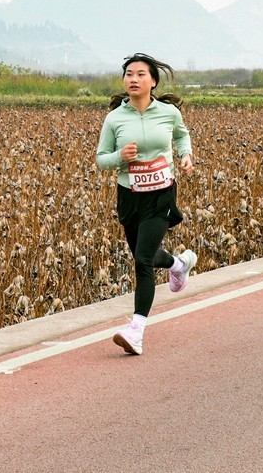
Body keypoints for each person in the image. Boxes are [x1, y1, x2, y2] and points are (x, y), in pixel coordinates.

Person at [96, 53, 197, 355]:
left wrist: (185, 155)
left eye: (141, 74)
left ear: (153, 81)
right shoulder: (114, 119)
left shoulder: (167, 113)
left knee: (142, 260)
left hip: (161, 195)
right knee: (148, 253)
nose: (134, 79)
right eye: (129, 74)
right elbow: (102, 160)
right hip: (129, 196)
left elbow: (181, 136)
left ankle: (136, 330)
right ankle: (179, 264)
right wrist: (119, 158)